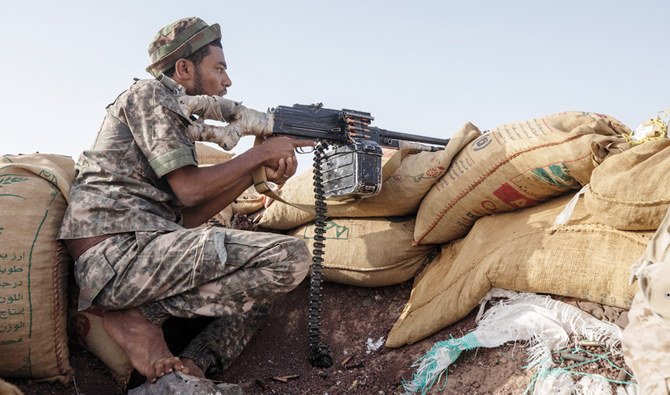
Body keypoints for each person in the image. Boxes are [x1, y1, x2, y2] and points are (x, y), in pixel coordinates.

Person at [58, 16, 315, 383]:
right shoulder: (150, 95)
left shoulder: (173, 112)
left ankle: (192, 368)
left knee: (260, 295)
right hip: (115, 256)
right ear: (183, 68)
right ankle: (139, 314)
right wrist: (259, 154)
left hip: (144, 248)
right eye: (219, 68)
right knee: (289, 257)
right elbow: (190, 189)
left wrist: (254, 173)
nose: (226, 81)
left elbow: (188, 215)